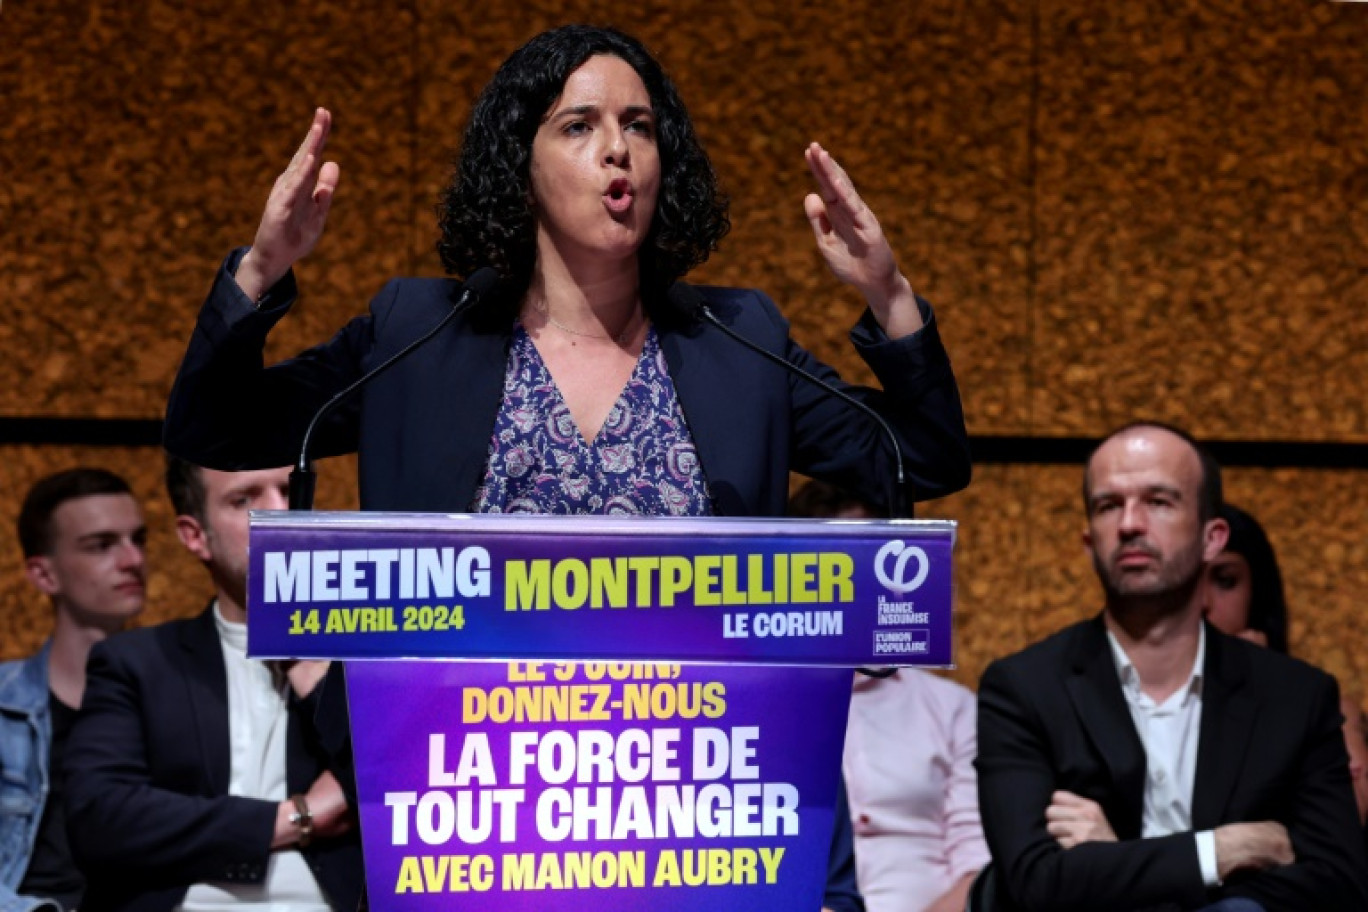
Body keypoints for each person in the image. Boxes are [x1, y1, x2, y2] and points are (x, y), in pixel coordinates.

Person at [162, 25, 971, 517]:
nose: (617, 149)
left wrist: (887, 295)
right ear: (521, 165)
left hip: (684, 764)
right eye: (579, 126)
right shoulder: (418, 332)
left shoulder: (739, 341)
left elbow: (925, 459)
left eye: (640, 127)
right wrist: (262, 267)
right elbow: (215, 430)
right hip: (465, 764)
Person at [975, 422, 1368, 911]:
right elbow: (1033, 883)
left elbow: (1339, 885)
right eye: (1108, 505)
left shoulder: (1296, 697)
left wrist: (1115, 862)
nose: (1130, 524)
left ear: (1212, 538)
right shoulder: (1024, 688)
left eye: (1158, 502)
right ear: (1088, 542)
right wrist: (1217, 852)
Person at [62, 459, 362, 912]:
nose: (277, 514)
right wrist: (294, 818)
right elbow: (100, 818)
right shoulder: (138, 663)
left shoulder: (363, 658)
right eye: (244, 500)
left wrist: (319, 680)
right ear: (194, 534)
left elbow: (407, 792)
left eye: (290, 492)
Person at [790, 479, 989, 912]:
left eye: (866, 562)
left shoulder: (952, 708)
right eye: (833, 566)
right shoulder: (772, 706)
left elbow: (979, 865)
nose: (850, 584)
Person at [1, 468, 146, 912]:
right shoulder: (5, 705)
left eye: (138, 539)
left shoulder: (179, 694)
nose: (132, 560)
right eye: (102, 545)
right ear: (45, 576)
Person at [1201, 502, 1368, 826]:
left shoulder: (1317, 702)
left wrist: (1264, 690)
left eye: (1225, 581)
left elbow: (1345, 818)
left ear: (1257, 592)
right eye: (1189, 582)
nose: (1204, 602)